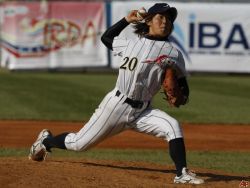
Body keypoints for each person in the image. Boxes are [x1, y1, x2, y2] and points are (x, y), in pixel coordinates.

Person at [29, 3, 204, 185]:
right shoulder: (130, 44)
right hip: (116, 106)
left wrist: (181, 96)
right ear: (149, 20)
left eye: (169, 19)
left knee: (172, 126)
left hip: (143, 111)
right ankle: (46, 141)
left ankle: (181, 173)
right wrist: (127, 20)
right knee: (79, 144)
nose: (166, 22)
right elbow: (106, 37)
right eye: (161, 17)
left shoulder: (174, 54)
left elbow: (183, 86)